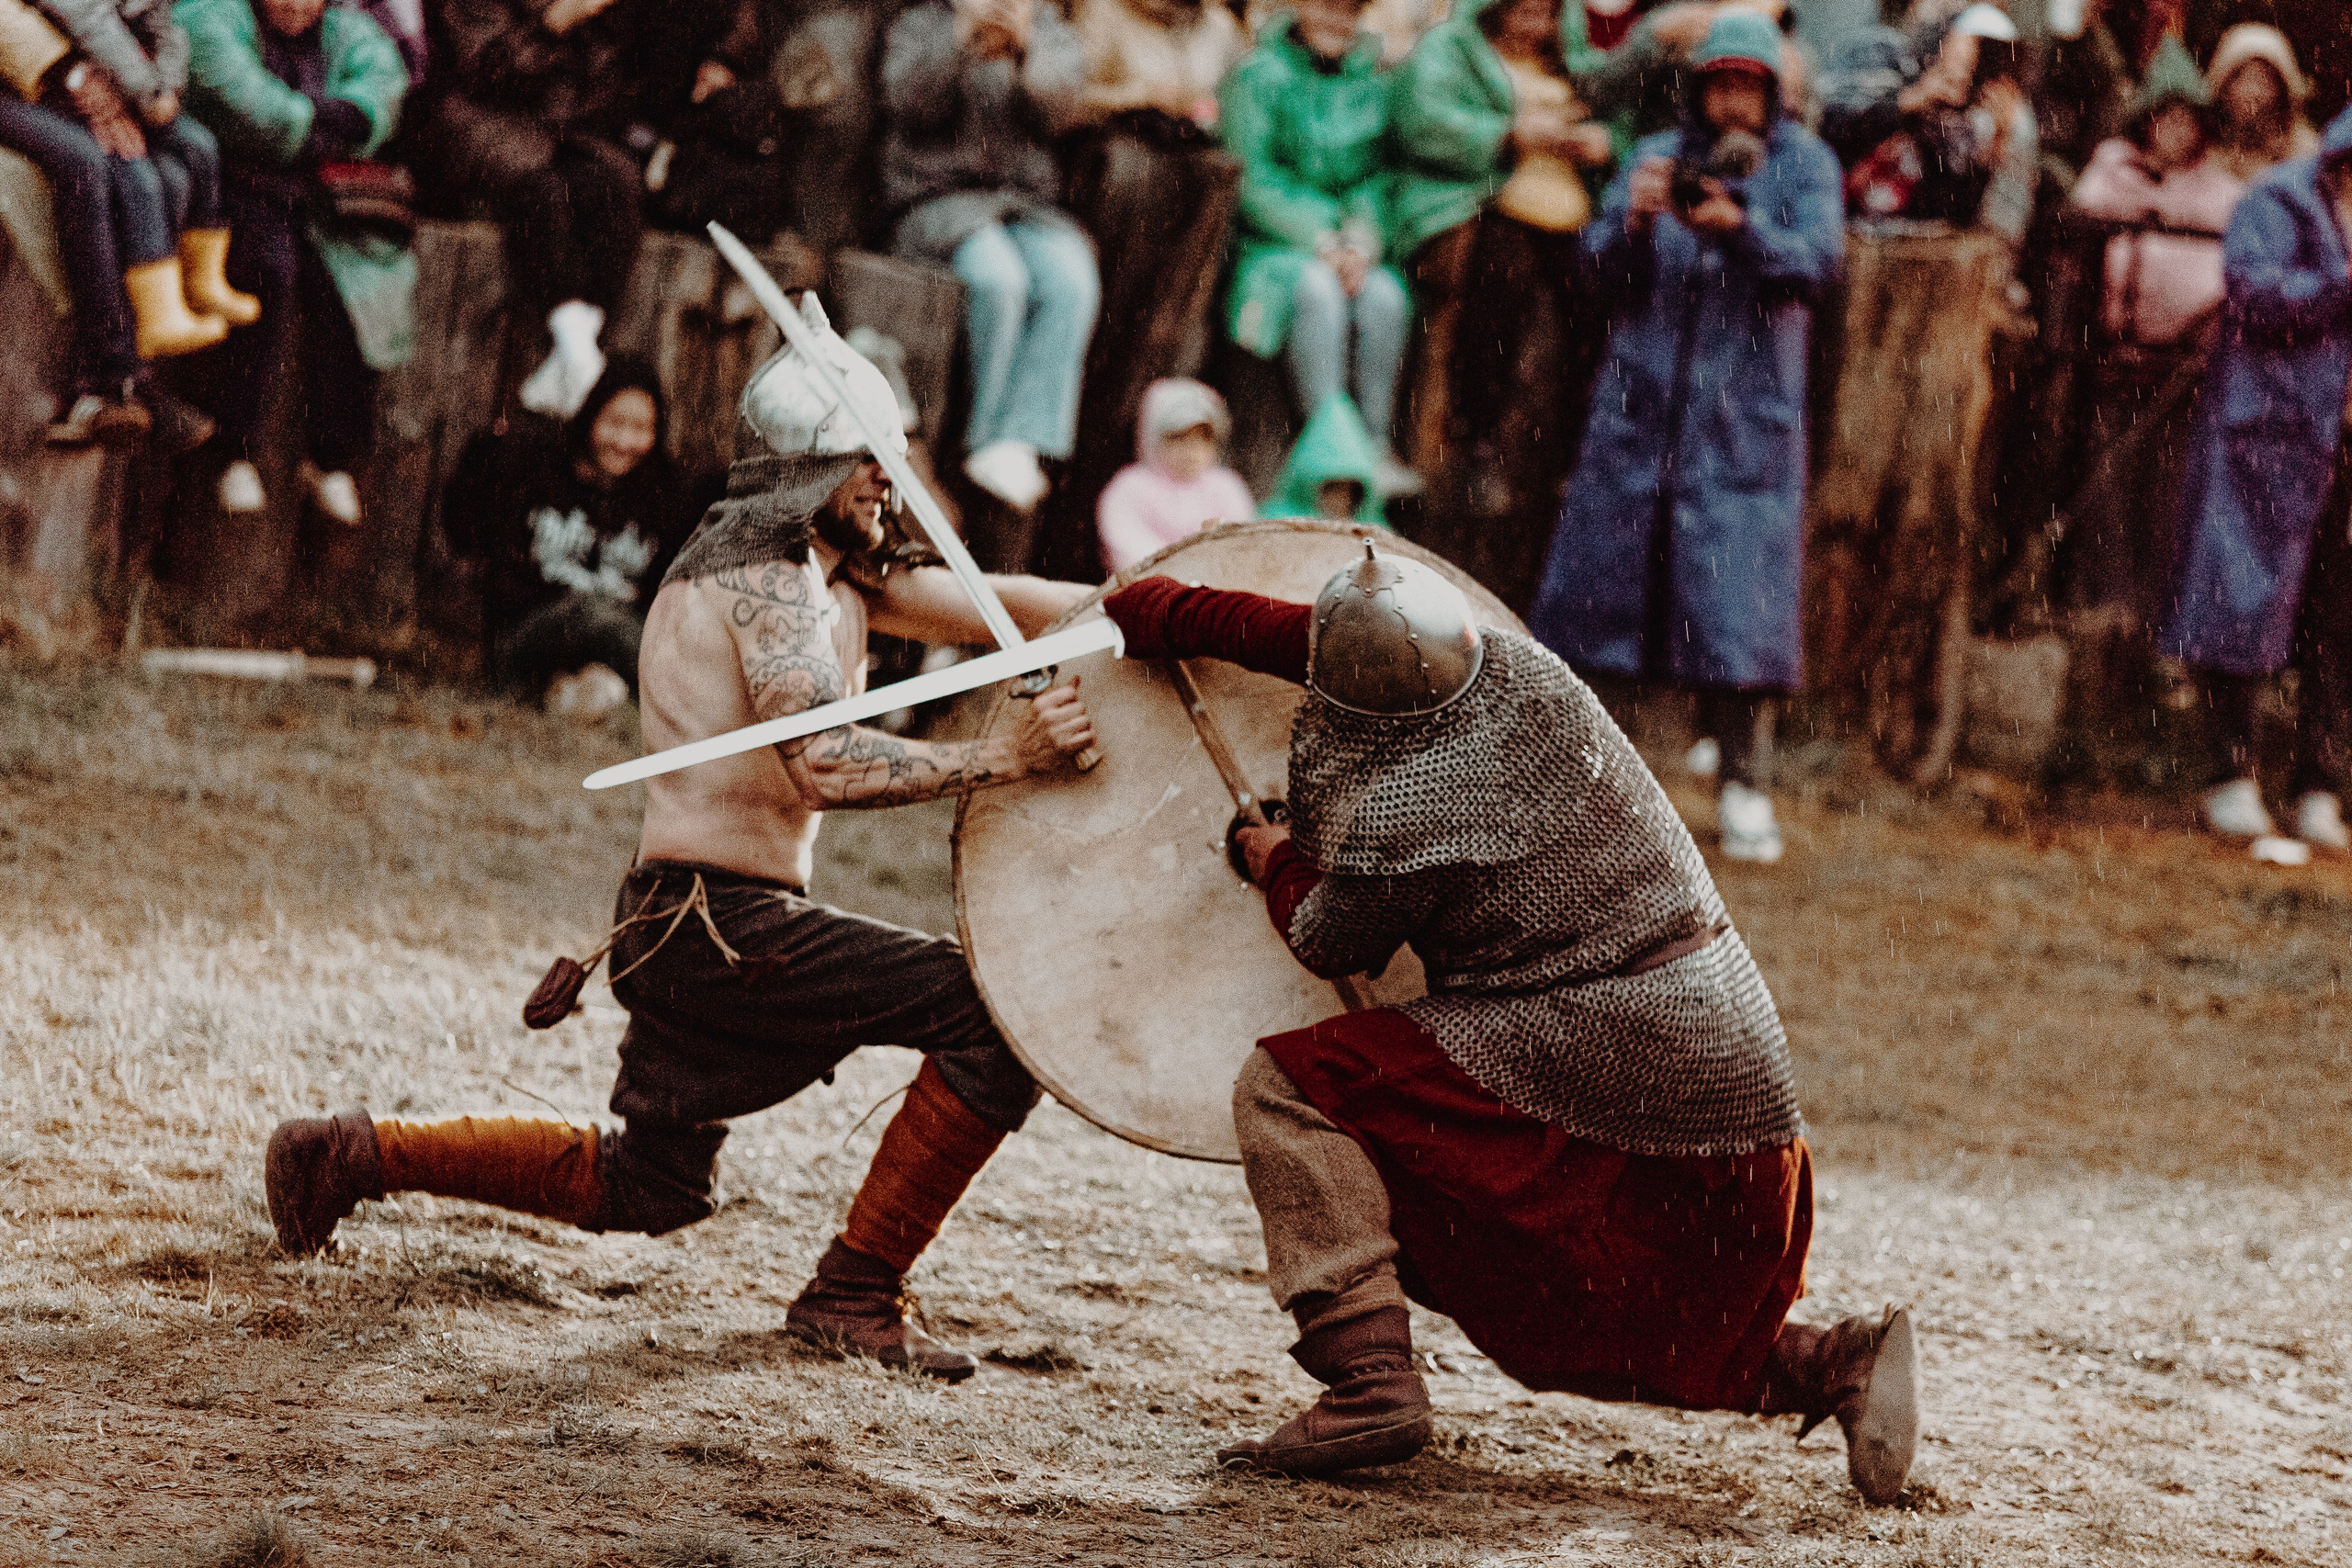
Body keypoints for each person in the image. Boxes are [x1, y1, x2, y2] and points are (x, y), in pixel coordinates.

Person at [264, 299, 1103, 1379]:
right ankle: (853, 1295)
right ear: (812, 465)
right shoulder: (763, 576)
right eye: (869, 465)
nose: (888, 487)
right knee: (987, 1010)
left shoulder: (829, 575)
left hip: (701, 922)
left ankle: (349, 1155)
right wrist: (1004, 758)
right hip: (715, 921)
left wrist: (1146, 599)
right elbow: (825, 758)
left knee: (650, 1190)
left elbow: (999, 603)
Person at [1093, 551, 1917, 1500]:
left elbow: (1327, 937)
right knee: (1570, 1282)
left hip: (1582, 1033)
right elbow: (1331, 643)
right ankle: (1830, 1364)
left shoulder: (1414, 810)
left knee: (1292, 1090)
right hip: (1720, 1035)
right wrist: (1165, 610)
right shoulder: (1521, 669)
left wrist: (1270, 855)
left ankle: (1367, 1384)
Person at [1530, 11, 1841, 864]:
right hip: (1644, 405)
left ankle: (1743, 783)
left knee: (1738, 604)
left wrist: (1744, 233)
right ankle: (1586, 785)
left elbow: (1819, 265)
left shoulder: (1805, 165)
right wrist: (1630, 222)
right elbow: (1592, 274)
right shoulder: (1654, 155)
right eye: (1720, 82)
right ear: (1699, 87)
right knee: (1607, 593)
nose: (1734, 99)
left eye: (1750, 83)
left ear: (1773, 92)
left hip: (1744, 416)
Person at [413, 0, 763, 418]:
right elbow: (483, 69)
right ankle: (581, 357)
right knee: (540, 186)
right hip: (482, 117)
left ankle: (573, 354)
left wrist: (716, 59)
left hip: (571, 130)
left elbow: (617, 79)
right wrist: (558, 20)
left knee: (617, 185)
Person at [2159, 107, 2352, 853]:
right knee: (2241, 604)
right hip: (2271, 437)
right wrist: (2343, 284)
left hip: (2340, 445)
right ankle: (2229, 777)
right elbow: (2254, 290)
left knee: (2334, 622)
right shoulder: (2278, 200)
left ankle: (2318, 788)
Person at [1387, 0, 1616, 567]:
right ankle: (1474, 436)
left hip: (1567, 210)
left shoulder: (1575, 61)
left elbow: (1620, 119)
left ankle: (1575, 451)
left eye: (1545, 13)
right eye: (1523, 11)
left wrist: (1603, 144)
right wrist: (1508, 134)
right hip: (1475, 203)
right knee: (1500, 281)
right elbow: (1417, 120)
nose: (1533, 24)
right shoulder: (1451, 48)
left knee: (1600, 298)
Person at [179, 0, 410, 524]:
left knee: (356, 287)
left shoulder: (348, 30)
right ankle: (235, 451)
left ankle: (331, 458)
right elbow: (249, 107)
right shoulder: (210, 13)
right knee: (269, 272)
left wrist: (322, 119)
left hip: (321, 199)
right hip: (230, 188)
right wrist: (333, 120)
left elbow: (380, 89)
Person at [881, 0, 1099, 517]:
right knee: (999, 280)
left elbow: (1065, 113)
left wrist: (1026, 50)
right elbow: (910, 104)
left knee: (1072, 280)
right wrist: (960, 44)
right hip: (936, 201)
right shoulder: (921, 24)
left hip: (1029, 206)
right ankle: (987, 437)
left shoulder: (1051, 31)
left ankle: (1022, 439)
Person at [0, 0, 243, 446]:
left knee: (166, 173)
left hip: (60, 65)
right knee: (86, 162)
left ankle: (126, 377)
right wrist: (71, 77)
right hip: (26, 72)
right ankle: (111, 376)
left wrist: (146, 87)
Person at [2060, 35, 2241, 631]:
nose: (2175, 131)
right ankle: (2102, 606)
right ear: (2148, 118)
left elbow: (2229, 273)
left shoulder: (2220, 191)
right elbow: (2083, 223)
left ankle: (2153, 620)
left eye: (2188, 121)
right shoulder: (2114, 168)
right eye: (2166, 117)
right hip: (2115, 355)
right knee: (2106, 483)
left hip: (2184, 366)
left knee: (2166, 495)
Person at [1218, 0, 1416, 500]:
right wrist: (1322, 239)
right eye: (1326, 5)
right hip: (1274, 246)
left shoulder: (1376, 81)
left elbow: (1378, 176)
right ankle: (1330, 448)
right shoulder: (1258, 73)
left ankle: (1373, 444)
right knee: (1317, 292)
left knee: (1386, 296)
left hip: (1351, 245)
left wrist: (1363, 241)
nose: (1337, 18)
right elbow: (1252, 176)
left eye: (1349, 9)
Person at [447, 359, 708, 706]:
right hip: (531, 635)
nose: (625, 442)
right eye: (615, 423)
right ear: (591, 417)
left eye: (642, 428)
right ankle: (685, 694)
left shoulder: (665, 497)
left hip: (618, 640)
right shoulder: (539, 471)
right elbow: (465, 522)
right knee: (589, 613)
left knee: (618, 629)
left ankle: (577, 692)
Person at [1819, 1, 2030, 235]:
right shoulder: (1884, 58)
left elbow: (1952, 210)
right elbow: (1834, 134)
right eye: (1975, 45)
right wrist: (1912, 101)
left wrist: (1994, 146)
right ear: (1947, 40)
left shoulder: (1964, 124)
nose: (1974, 62)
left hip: (1907, 247)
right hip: (1846, 230)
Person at [1095, 377, 1254, 573]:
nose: (1192, 451)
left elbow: (1238, 546)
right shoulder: (1129, 488)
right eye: (1179, 438)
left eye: (1203, 439)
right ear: (1152, 437)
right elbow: (1128, 550)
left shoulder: (1226, 487)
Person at [1070, 0, 1241, 130]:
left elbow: (1243, 97)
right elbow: (1081, 96)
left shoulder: (1219, 23)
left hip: (1206, 157)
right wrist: (1145, 96)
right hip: (1133, 156)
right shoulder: (1107, 14)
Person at [2202, 23, 2316, 186]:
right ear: (2224, 86)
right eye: (2243, 79)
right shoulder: (2203, 151)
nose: (2254, 93)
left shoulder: (2303, 152)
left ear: (2282, 91)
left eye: (2264, 80)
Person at [1265, 391, 1385, 525]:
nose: (1342, 499)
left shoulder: (1373, 529)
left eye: (1351, 491)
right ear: (1312, 486)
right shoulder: (1278, 523)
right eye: (1333, 488)